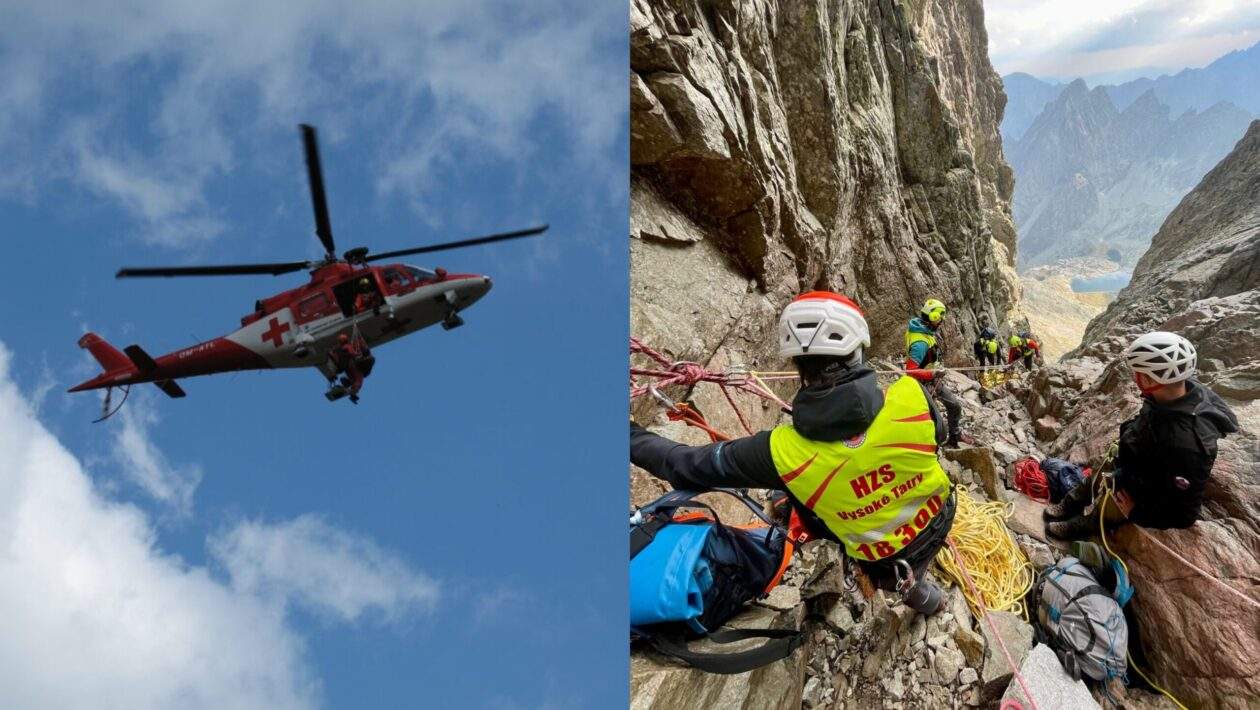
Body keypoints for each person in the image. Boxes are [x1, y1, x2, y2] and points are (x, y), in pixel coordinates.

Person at [631, 291, 956, 615]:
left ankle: (913, 589)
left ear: (797, 364)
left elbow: (682, 464)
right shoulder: (910, 398)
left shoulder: (779, 452)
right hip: (939, 521)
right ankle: (923, 591)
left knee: (795, 493)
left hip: (879, 563)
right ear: (857, 351)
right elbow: (937, 437)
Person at [1044, 332, 1238, 539]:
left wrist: (1136, 512)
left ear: (1147, 379)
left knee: (1112, 504)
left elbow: (1185, 514)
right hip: (1134, 458)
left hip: (1144, 483)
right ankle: (1071, 502)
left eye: (1138, 372)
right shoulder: (1182, 389)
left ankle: (1089, 523)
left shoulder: (1187, 445)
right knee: (1098, 474)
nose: (1135, 377)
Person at [905, 298, 970, 447]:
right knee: (932, 419)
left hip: (933, 379)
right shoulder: (920, 343)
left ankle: (954, 435)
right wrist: (933, 374)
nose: (941, 321)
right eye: (939, 318)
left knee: (954, 406)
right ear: (933, 317)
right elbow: (910, 371)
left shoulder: (921, 329)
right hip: (924, 384)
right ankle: (931, 445)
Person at [327, 332, 371, 404]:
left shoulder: (338, 349)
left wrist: (333, 374)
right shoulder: (347, 346)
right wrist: (359, 354)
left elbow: (334, 357)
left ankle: (350, 387)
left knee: (351, 377)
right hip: (351, 364)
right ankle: (353, 392)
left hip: (345, 365)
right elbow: (352, 353)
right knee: (358, 380)